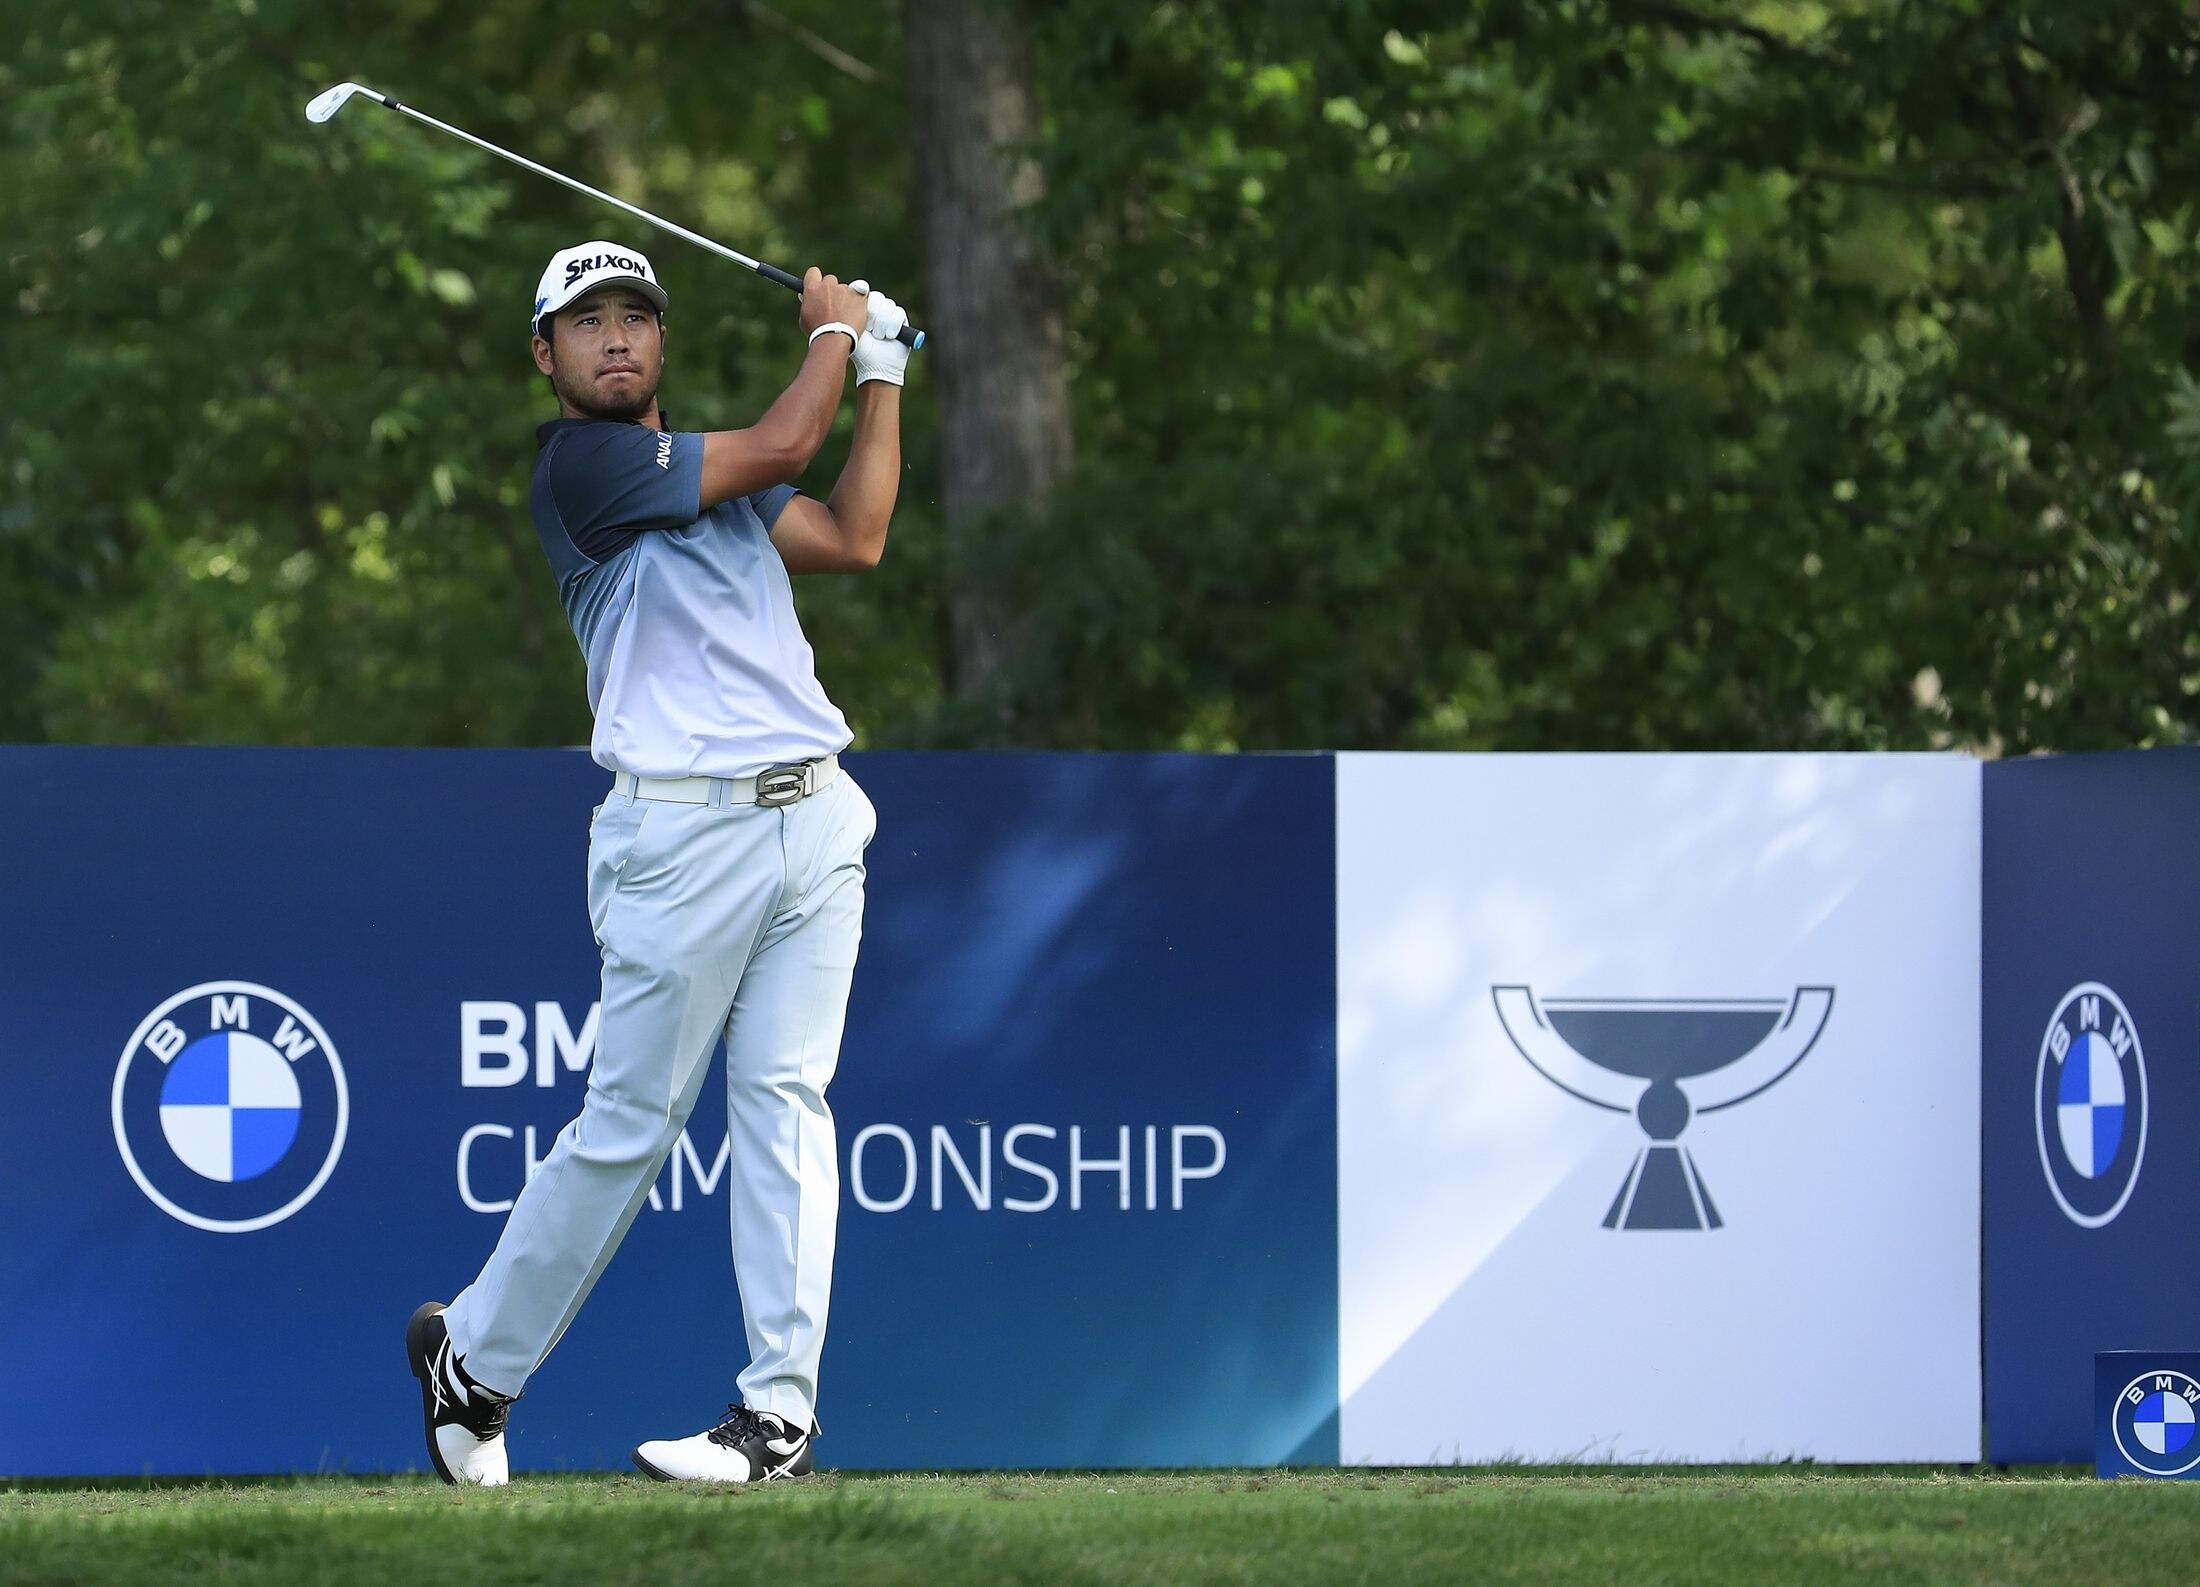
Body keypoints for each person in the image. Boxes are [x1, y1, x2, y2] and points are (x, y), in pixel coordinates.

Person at [405, 239, 913, 1485]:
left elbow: (854, 536)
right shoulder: (581, 470)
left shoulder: (706, 471)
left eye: (636, 315)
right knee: (631, 1125)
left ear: (662, 339)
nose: (617, 336)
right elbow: (788, 443)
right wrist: (834, 329)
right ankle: (474, 1364)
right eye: (588, 323)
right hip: (681, 839)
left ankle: (776, 1420)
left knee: (787, 1107)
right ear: (546, 354)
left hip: (815, 819)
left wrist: (884, 370)